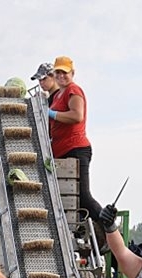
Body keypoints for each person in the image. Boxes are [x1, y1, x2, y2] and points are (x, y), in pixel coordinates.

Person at [48, 55, 102, 225]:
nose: (61, 76)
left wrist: (53, 114)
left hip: (76, 148)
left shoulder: (73, 90)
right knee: (69, 200)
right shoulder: (57, 95)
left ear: (72, 73)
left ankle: (108, 227)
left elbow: (76, 116)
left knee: (83, 197)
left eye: (64, 72)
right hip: (61, 150)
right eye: (57, 72)